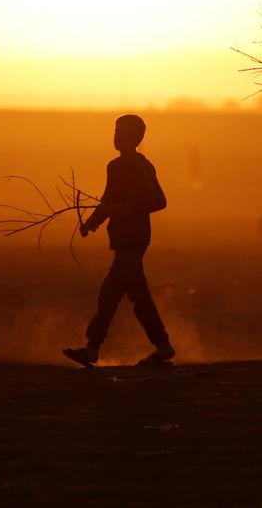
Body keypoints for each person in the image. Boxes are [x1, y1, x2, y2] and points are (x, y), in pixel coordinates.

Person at [63, 114, 175, 367]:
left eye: (123, 132)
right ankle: (164, 347)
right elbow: (108, 200)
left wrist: (127, 208)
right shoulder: (116, 166)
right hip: (125, 240)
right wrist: (93, 221)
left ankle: (92, 348)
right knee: (139, 296)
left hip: (134, 240)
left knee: (110, 293)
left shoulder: (138, 166)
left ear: (136, 137)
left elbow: (158, 201)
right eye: (116, 131)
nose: (117, 136)